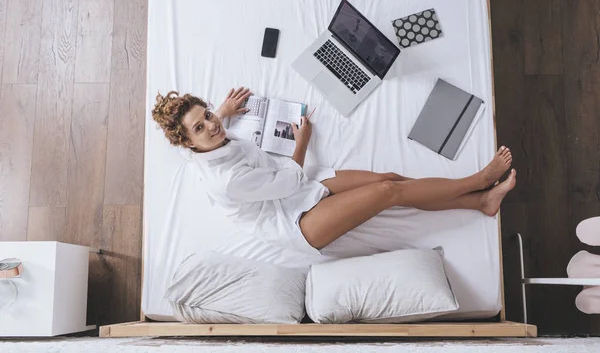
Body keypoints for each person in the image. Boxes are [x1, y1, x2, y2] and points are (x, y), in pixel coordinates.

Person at [152, 87, 516, 255]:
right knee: (389, 194)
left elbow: (211, 126)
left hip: (294, 189)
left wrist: (225, 111)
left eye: (208, 116)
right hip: (294, 223)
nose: (212, 126)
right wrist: (303, 140)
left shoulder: (204, 141)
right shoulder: (228, 181)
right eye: (199, 128)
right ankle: (480, 181)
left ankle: (480, 203)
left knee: (391, 179)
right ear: (188, 142)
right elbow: (288, 179)